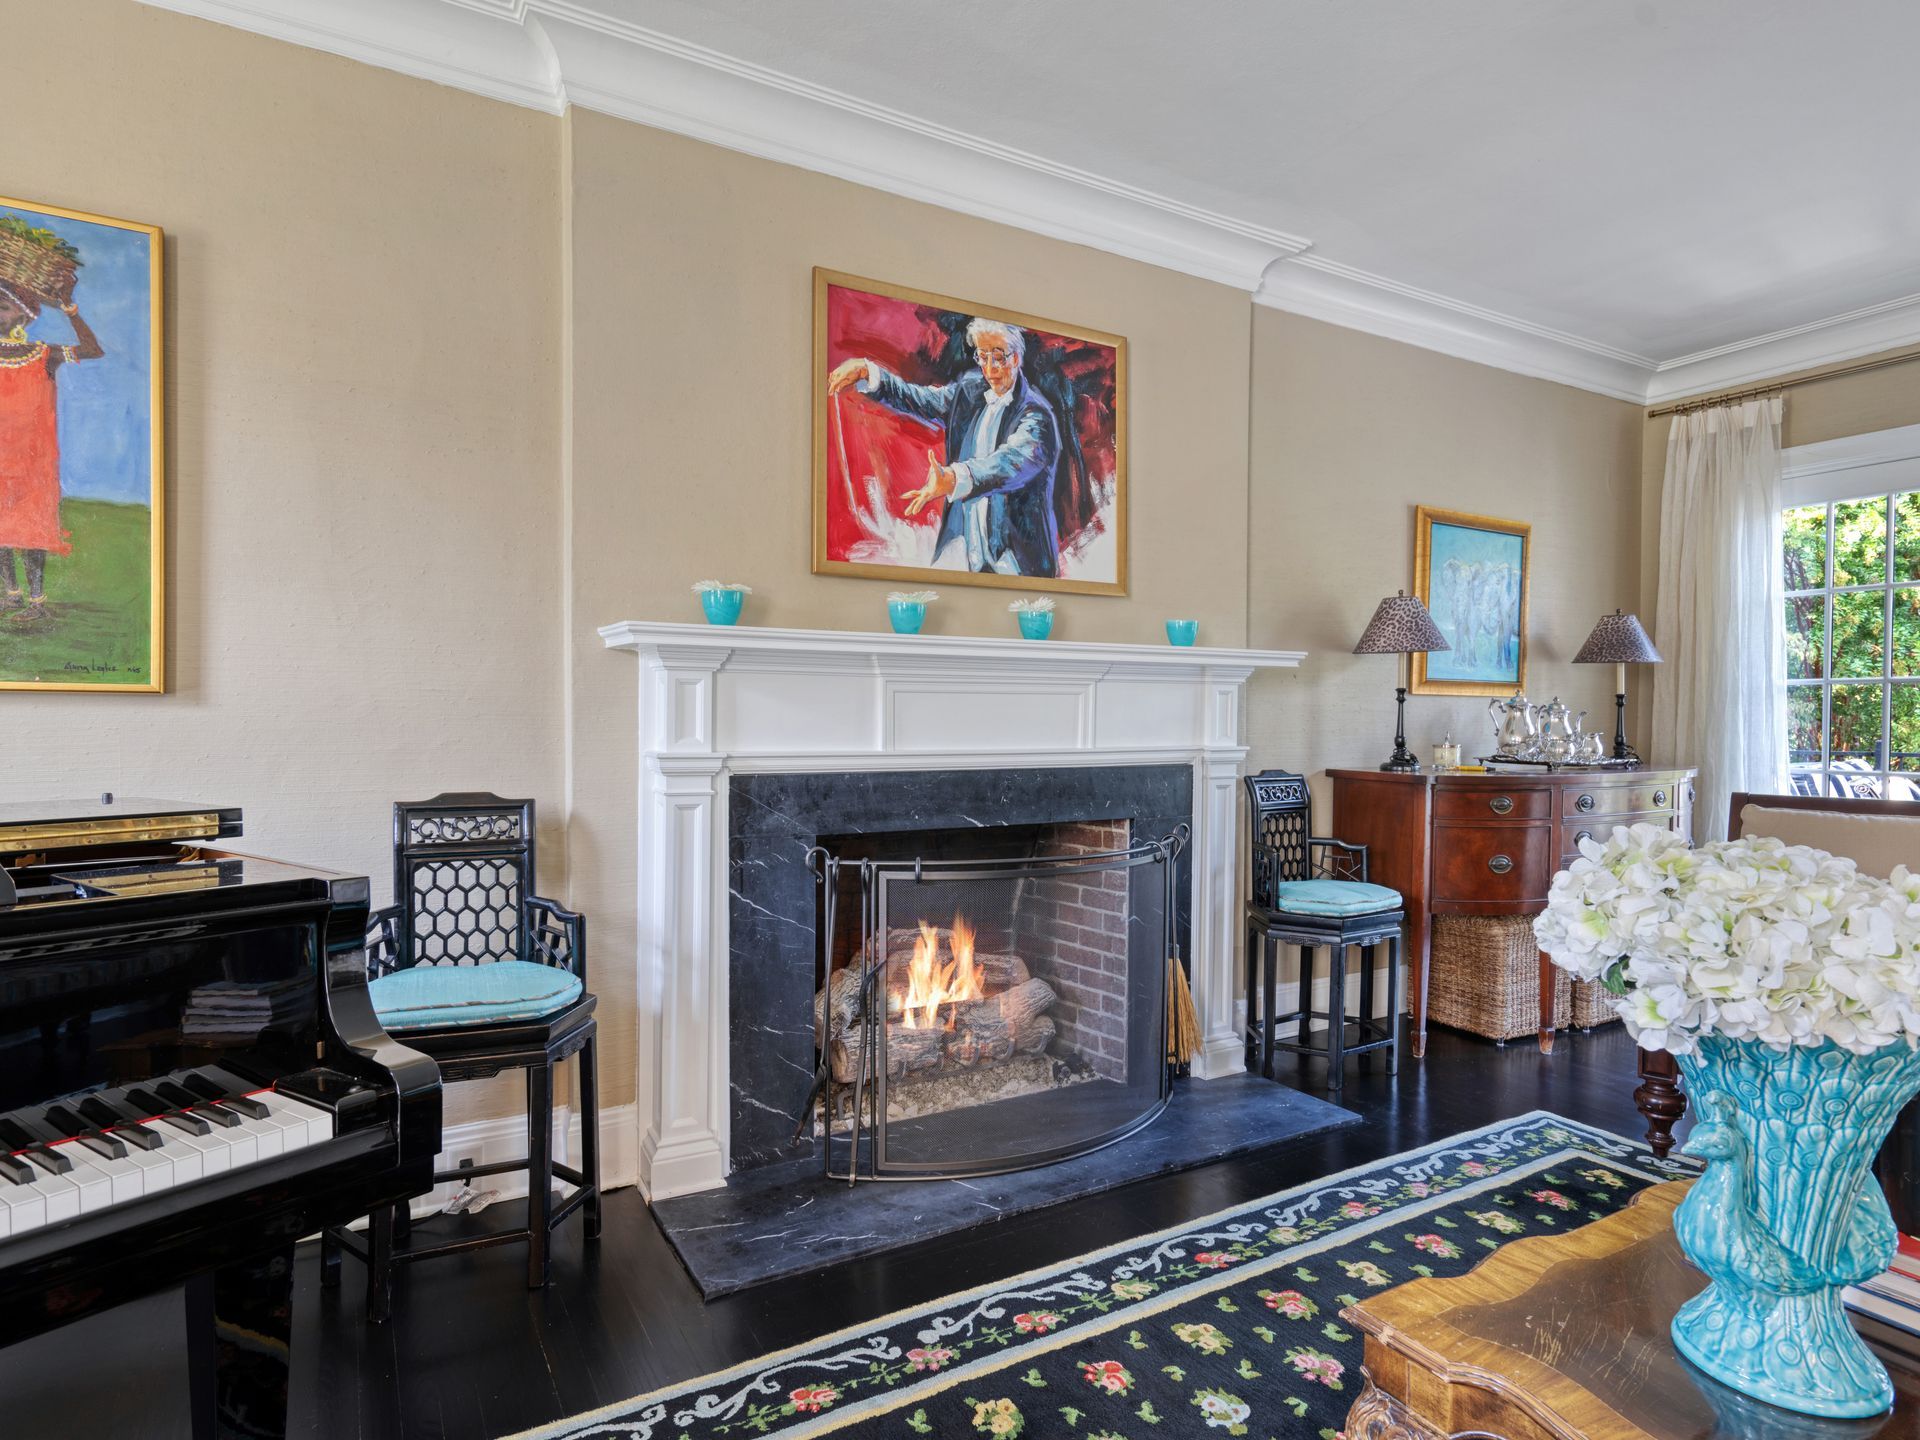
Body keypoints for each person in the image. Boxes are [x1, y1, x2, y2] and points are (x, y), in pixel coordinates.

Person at [827, 316, 1061, 577]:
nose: (990, 369)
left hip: (1016, 563)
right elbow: (920, 399)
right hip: (965, 554)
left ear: (1016, 358)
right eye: (982, 357)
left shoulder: (1036, 416)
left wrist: (954, 478)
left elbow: (1009, 463)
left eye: (998, 357)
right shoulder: (969, 392)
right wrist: (869, 372)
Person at [0, 277, 102, 622]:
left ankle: (37, 603)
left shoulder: (43, 355)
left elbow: (93, 349)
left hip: (34, 461)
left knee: (31, 528)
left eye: (4, 307)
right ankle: (11, 595)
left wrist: (69, 307)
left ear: (24, 316)